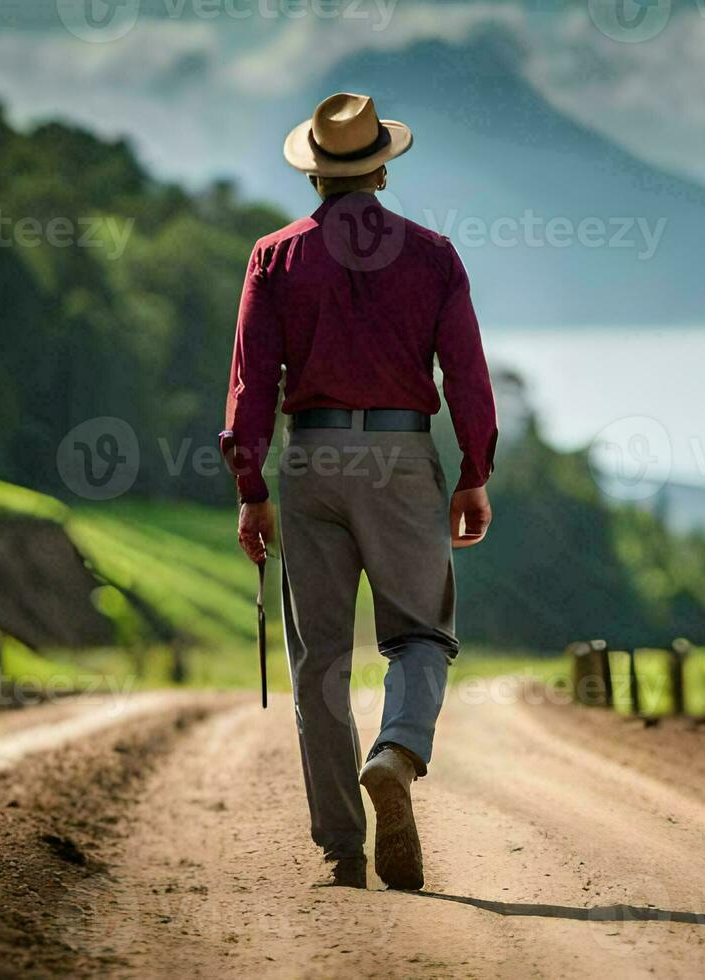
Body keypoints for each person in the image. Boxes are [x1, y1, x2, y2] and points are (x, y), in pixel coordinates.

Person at [220, 92, 498, 891]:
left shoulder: (273, 258)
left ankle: (344, 849)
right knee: (419, 633)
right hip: (404, 458)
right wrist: (474, 471)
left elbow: (251, 386)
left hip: (310, 461)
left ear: (314, 176)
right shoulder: (435, 255)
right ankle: (397, 753)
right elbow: (468, 375)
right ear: (381, 166)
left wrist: (251, 487)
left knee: (319, 663)